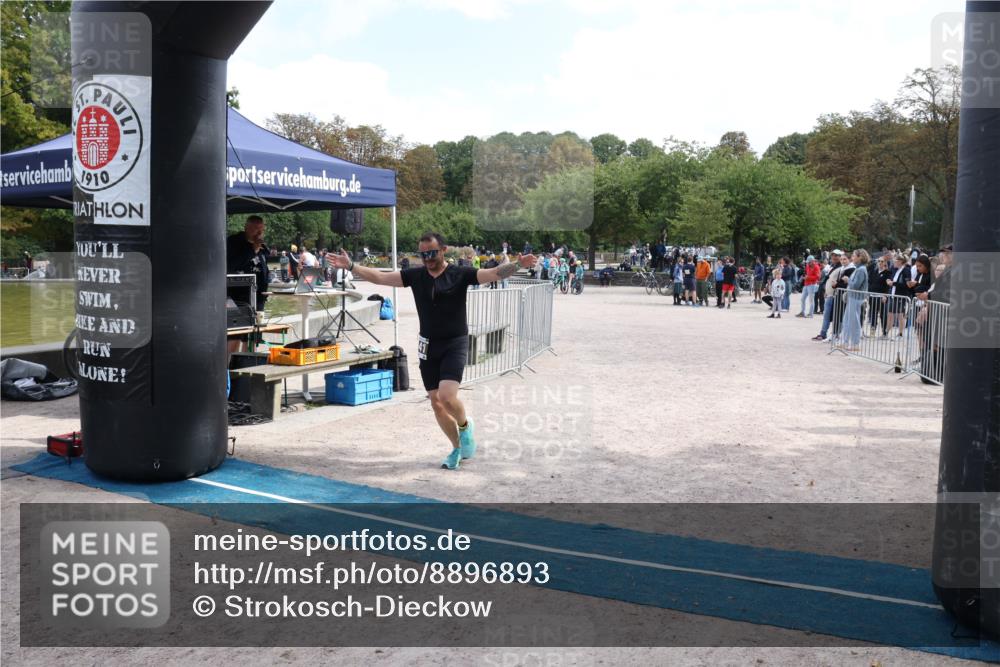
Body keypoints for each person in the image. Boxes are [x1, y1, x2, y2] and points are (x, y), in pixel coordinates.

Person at [325, 232, 535, 470]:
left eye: (432, 253)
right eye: (423, 254)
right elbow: (380, 278)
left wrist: (518, 265)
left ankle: (465, 426)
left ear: (443, 250)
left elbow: (493, 274)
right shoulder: (416, 275)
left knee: (446, 396)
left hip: (455, 342)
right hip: (428, 344)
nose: (427, 258)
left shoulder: (459, 273)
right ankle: (456, 447)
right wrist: (352, 266)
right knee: (436, 402)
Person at [226, 215, 270, 309]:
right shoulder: (233, 242)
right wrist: (253, 250)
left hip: (259, 296)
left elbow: (264, 268)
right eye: (256, 228)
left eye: (262, 229)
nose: (259, 232)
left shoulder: (261, 245)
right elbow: (231, 266)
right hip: (238, 297)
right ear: (246, 227)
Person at [839, 249, 870, 350]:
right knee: (847, 320)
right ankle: (845, 341)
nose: (852, 257)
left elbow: (856, 285)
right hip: (852, 297)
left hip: (856, 298)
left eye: (853, 256)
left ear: (860, 257)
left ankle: (855, 343)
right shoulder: (858, 268)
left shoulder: (861, 269)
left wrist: (848, 280)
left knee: (854, 321)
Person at [812, 250, 845, 341]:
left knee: (834, 316)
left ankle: (833, 334)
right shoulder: (832, 266)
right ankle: (824, 333)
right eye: (833, 255)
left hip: (835, 295)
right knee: (827, 315)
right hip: (829, 294)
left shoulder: (841, 268)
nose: (834, 257)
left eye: (837, 256)